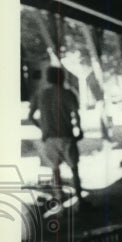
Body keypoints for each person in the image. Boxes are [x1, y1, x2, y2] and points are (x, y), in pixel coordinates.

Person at [28, 65, 87, 204]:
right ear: (63, 77)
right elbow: (76, 115)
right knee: (74, 170)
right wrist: (79, 130)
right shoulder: (68, 93)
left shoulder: (41, 94)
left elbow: (31, 116)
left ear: (48, 78)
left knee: (55, 172)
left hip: (49, 138)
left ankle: (59, 200)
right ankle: (80, 200)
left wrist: (42, 128)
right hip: (67, 136)